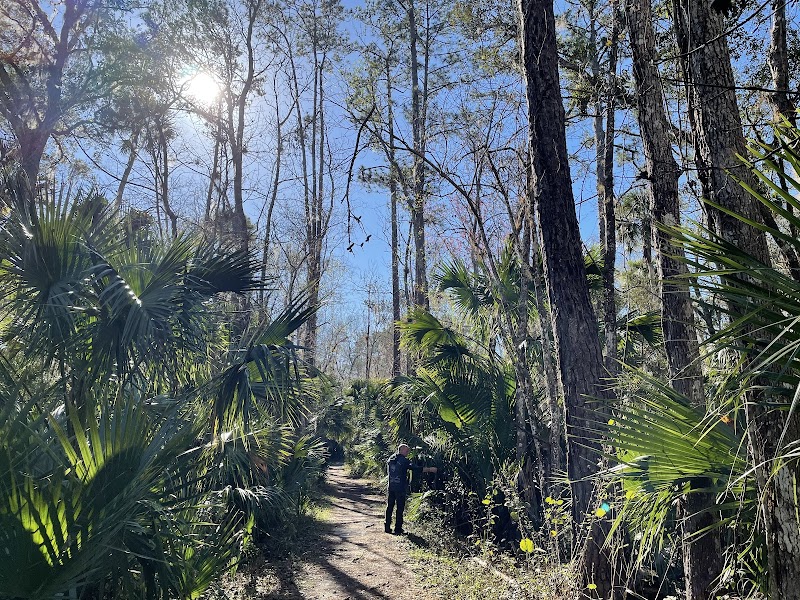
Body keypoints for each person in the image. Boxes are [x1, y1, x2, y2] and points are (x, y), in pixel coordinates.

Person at [385, 443, 437, 535]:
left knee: (390, 506)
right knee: (399, 508)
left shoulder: (391, 458)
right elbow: (416, 468)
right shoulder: (404, 461)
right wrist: (430, 469)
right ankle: (398, 529)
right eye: (406, 450)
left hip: (391, 486)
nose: (408, 452)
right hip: (400, 487)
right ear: (401, 450)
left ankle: (387, 527)